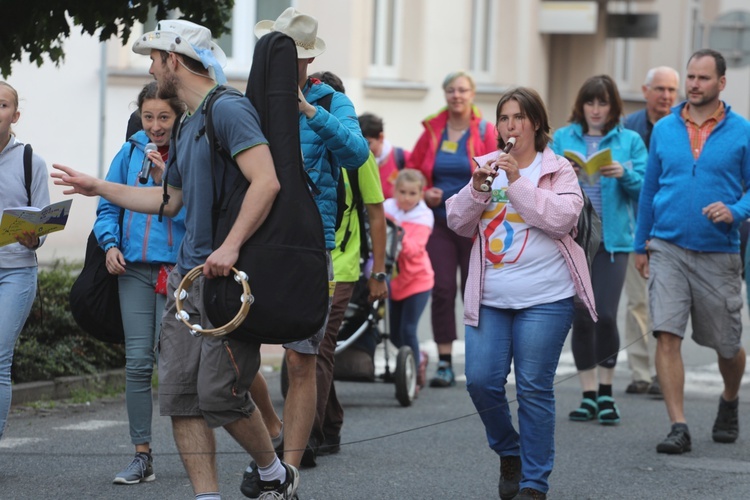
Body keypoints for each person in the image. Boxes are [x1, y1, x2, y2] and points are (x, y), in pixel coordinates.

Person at [52, 20, 299, 499]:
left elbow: (266, 181)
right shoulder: (188, 121)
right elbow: (172, 200)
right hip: (188, 279)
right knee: (181, 400)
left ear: (174, 59)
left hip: (227, 278)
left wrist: (230, 246)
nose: (149, 67)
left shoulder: (228, 110)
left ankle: (273, 472)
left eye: (153, 57)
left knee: (218, 397)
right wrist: (99, 187)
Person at [242, 8, 371, 496]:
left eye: (288, 55)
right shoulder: (249, 100)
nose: (278, 61)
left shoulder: (331, 100)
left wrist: (308, 111)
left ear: (307, 60)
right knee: (237, 358)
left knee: (302, 360)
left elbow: (357, 155)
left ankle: (288, 472)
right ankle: (273, 432)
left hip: (311, 248)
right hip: (255, 242)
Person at [446, 87, 595, 500]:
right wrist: (477, 189)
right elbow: (456, 221)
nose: (511, 126)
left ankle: (534, 482)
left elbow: (562, 219)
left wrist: (516, 182)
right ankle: (508, 451)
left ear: (535, 124)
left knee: (532, 387)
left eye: (519, 118)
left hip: (546, 297)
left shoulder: (557, 169)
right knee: (480, 381)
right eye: (504, 118)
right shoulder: (486, 165)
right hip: (491, 295)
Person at [635, 49, 750, 455]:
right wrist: (641, 243)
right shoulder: (666, 129)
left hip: (718, 251)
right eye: (691, 77)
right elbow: (650, 188)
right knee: (666, 333)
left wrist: (736, 211)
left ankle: (730, 399)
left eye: (703, 78)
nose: (694, 85)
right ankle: (678, 425)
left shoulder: (743, 131)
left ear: (721, 83)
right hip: (666, 246)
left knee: (726, 344)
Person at [94, 82, 186, 484]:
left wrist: (170, 181)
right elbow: (107, 205)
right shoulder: (130, 152)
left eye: (163, 117)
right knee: (137, 362)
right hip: (132, 269)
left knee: (180, 367)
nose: (155, 126)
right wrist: (110, 244)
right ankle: (142, 455)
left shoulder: (189, 153)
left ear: (177, 116)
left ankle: (196, 448)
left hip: (177, 272)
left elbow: (198, 215)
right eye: (148, 117)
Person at [552, 75, 646, 425]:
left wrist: (624, 174)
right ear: (581, 105)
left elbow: (645, 189)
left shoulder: (631, 140)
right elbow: (543, 185)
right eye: (590, 103)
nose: (595, 110)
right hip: (573, 238)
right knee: (581, 314)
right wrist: (566, 172)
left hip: (613, 241)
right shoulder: (564, 138)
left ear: (613, 106)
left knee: (604, 313)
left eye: (602, 103)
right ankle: (588, 394)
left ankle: (607, 392)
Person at [407, 70, 497, 388]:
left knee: (475, 291)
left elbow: (495, 169)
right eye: (450, 91)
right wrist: (424, 189)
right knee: (443, 289)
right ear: (445, 95)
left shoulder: (486, 130)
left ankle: (479, 359)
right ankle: (444, 362)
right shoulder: (433, 129)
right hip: (440, 222)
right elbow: (413, 170)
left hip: (474, 224)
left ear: (472, 94)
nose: (456, 95)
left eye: (462, 90)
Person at [621, 66, 680, 397]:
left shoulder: (682, 128)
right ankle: (641, 372)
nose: (666, 96)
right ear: (645, 91)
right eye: (660, 89)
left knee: (669, 305)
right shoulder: (629, 129)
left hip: (674, 229)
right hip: (636, 226)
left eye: (672, 90)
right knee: (638, 302)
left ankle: (664, 372)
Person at [0, 81, 50, 441]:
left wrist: (36, 237)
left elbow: (44, 225)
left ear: (15, 115)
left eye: (2, 105)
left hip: (16, 269)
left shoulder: (31, 161)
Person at [384, 169, 434, 391]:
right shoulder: (386, 208)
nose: (406, 197)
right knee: (394, 335)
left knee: (408, 329)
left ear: (420, 194)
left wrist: (396, 233)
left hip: (418, 281)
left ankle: (412, 377)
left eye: (412, 193)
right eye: (402, 192)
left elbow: (414, 249)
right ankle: (418, 356)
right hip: (394, 282)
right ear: (394, 190)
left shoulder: (423, 217)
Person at [358, 112, 410, 199]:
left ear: (381, 137)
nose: (363, 149)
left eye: (368, 143)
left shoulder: (403, 158)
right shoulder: (354, 163)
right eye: (359, 144)